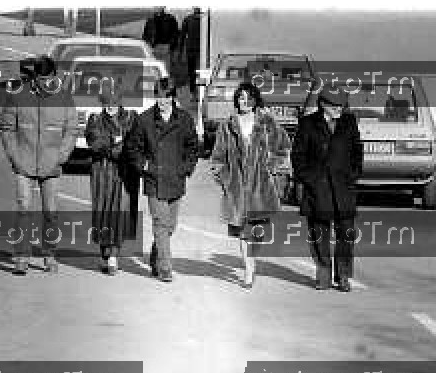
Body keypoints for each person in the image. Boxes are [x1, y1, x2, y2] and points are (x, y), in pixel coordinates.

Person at [0, 55, 79, 275]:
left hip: (51, 165)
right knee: (24, 208)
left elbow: (72, 129)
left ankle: (49, 254)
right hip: (23, 162)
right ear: (35, 77)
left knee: (50, 212)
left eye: (47, 78)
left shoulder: (64, 97)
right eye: (40, 78)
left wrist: (61, 156)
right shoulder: (17, 95)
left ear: (54, 75)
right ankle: (21, 257)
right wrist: (14, 156)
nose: (44, 83)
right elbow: (7, 128)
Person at [210, 81, 291, 289]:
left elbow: (283, 147)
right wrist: (225, 179)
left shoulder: (266, 123)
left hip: (261, 188)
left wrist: (272, 168)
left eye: (248, 98)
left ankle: (252, 261)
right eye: (240, 98)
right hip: (237, 188)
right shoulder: (227, 125)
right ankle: (248, 269)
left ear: (255, 101)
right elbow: (217, 158)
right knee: (243, 232)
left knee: (257, 233)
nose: (244, 101)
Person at [123, 77, 198, 282]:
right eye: (159, 96)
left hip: (176, 179)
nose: (162, 101)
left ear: (173, 97)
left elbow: (193, 147)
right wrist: (144, 166)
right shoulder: (144, 119)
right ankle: (165, 267)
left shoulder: (184, 119)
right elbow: (132, 148)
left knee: (170, 226)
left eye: (166, 97)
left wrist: (185, 168)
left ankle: (156, 254)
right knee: (161, 223)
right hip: (153, 180)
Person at [291, 85, 363, 291]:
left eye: (341, 105)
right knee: (318, 233)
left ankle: (343, 276)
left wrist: (353, 174)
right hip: (318, 187)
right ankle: (323, 274)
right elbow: (298, 156)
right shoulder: (308, 124)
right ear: (323, 104)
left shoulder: (349, 122)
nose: (339, 109)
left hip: (343, 187)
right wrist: (309, 179)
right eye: (335, 105)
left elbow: (357, 151)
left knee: (346, 234)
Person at [85, 93, 140, 275]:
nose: (111, 106)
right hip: (102, 172)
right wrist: (116, 145)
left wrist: (117, 146)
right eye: (107, 103)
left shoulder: (132, 118)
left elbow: (135, 143)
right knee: (102, 213)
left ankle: (114, 256)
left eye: (114, 103)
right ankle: (104, 253)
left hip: (124, 173)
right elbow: (94, 142)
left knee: (120, 213)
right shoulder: (95, 119)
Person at [142, 7, 180, 73]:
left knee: (165, 69)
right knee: (154, 69)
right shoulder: (151, 19)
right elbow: (146, 33)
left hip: (166, 46)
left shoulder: (171, 18)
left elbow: (175, 33)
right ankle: (157, 82)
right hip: (153, 47)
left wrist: (171, 46)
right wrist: (146, 46)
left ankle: (165, 82)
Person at [179, 7, 202, 101]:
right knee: (192, 73)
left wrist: (180, 51)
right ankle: (194, 94)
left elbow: (182, 37)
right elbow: (182, 36)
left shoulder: (205, 19)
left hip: (201, 50)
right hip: (193, 50)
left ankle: (198, 93)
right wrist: (180, 51)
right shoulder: (188, 19)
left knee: (199, 73)